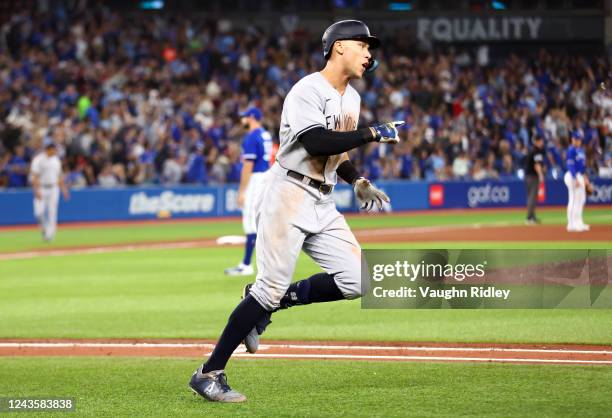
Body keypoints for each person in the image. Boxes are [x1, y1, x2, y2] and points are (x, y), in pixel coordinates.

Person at [188, 19, 403, 403]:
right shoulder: (307, 89)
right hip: (288, 193)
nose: (370, 53)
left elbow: (338, 150)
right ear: (339, 47)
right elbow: (316, 141)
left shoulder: (351, 98)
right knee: (266, 291)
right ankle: (209, 373)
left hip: (323, 198)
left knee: (359, 279)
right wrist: (373, 132)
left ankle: (276, 300)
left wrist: (356, 180)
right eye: (363, 45)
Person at [224, 107, 273, 276]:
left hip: (256, 178)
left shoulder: (252, 137)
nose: (242, 120)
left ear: (251, 117)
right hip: (266, 175)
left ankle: (247, 265)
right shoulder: (265, 134)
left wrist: (242, 191)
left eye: (244, 117)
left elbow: (248, 166)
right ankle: (256, 264)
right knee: (260, 221)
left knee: (251, 221)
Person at [30, 140, 70, 241]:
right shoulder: (38, 160)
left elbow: (59, 176)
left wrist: (64, 190)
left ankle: (50, 235)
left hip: (53, 188)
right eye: (53, 149)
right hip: (42, 188)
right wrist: (36, 190)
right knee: (38, 213)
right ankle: (45, 230)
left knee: (52, 213)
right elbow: (34, 176)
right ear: (48, 149)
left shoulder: (56, 160)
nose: (55, 151)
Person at [564, 131, 590, 232]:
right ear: (572, 139)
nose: (578, 141)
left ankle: (579, 222)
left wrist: (585, 178)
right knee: (574, 199)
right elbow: (570, 165)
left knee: (581, 199)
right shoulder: (571, 150)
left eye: (579, 139)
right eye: (576, 139)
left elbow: (582, 167)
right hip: (572, 176)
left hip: (580, 175)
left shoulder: (581, 150)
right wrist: (575, 178)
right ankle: (571, 224)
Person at [524, 135, 545, 224]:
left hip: (528, 176)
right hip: (533, 176)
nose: (542, 142)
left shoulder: (532, 150)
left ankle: (531, 216)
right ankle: (530, 217)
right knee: (533, 197)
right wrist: (541, 175)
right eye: (540, 141)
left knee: (531, 197)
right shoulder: (537, 151)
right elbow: (537, 165)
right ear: (537, 141)